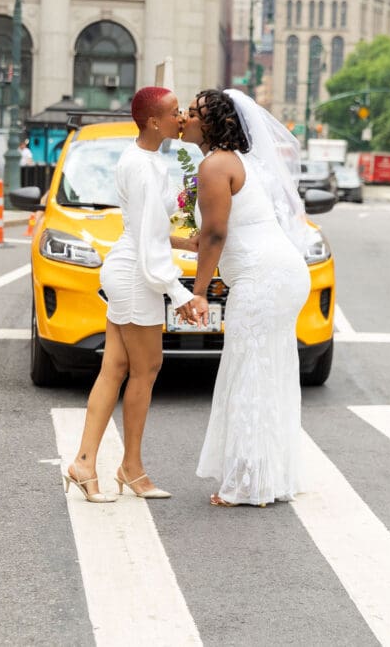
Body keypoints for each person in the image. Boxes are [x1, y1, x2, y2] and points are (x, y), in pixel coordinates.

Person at [64, 86, 197, 503]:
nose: (182, 117)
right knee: (146, 370)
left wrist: (182, 243)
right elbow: (145, 242)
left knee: (115, 369)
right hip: (136, 275)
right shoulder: (142, 167)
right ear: (154, 122)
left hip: (128, 268)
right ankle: (130, 468)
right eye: (176, 112)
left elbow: (149, 231)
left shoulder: (146, 160)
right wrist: (180, 294)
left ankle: (86, 463)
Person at [181, 89, 311, 507]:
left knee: (250, 371)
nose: (185, 117)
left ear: (212, 124)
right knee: (265, 370)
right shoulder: (235, 163)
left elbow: (217, 236)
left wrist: (199, 292)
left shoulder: (215, 164)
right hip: (280, 272)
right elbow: (209, 235)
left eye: (194, 112)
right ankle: (266, 477)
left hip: (264, 277)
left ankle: (246, 483)